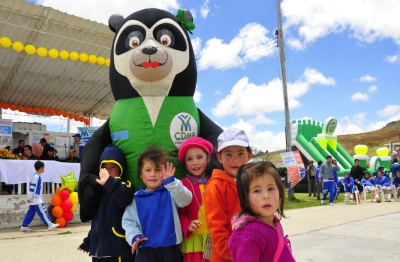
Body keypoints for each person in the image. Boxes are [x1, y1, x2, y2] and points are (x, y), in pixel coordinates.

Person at [122, 146, 192, 262]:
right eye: (148, 170)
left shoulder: (171, 191)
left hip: (171, 250)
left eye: (158, 170)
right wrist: (134, 236)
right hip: (146, 252)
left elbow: (186, 200)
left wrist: (172, 183)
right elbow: (129, 222)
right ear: (140, 174)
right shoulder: (136, 198)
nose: (153, 174)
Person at [77, 144, 135, 261]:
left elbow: (125, 199)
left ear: (121, 168)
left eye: (113, 167)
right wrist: (89, 241)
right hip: (98, 252)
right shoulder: (98, 190)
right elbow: (98, 221)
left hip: (117, 250)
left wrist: (110, 182)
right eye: (105, 167)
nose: (109, 171)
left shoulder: (124, 185)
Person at [228, 161, 295, 262]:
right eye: (257, 191)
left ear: (280, 191)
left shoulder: (273, 223)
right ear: (245, 197)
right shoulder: (248, 236)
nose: (266, 195)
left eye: (271, 188)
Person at [204, 128, 252, 262]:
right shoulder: (216, 186)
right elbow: (216, 228)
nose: (235, 160)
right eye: (229, 155)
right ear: (219, 157)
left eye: (240, 153)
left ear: (249, 155)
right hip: (227, 256)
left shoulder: (253, 182)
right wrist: (233, 255)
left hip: (251, 251)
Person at [177, 137, 213, 262]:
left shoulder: (216, 182)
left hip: (216, 238)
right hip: (194, 241)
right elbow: (179, 212)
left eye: (199, 157)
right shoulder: (182, 185)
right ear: (185, 163)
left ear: (208, 158)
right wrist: (187, 224)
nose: (195, 163)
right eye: (189, 159)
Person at [20, 161, 59, 232]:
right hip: (36, 198)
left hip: (34, 198)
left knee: (30, 213)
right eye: (43, 167)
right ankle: (49, 224)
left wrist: (30, 197)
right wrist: (29, 197)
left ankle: (24, 225)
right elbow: (33, 187)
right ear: (41, 168)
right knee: (43, 211)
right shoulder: (37, 177)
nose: (44, 169)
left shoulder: (37, 176)